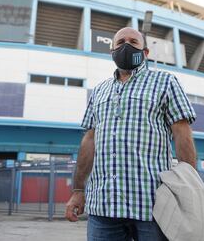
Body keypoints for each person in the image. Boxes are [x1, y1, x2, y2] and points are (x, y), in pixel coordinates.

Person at [65, 27, 197, 241]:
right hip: (103, 206)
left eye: (133, 42)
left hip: (152, 205)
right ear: (112, 52)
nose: (126, 46)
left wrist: (190, 188)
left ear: (145, 52)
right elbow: (89, 140)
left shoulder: (165, 82)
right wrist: (79, 190)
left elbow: (182, 132)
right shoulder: (99, 90)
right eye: (120, 42)